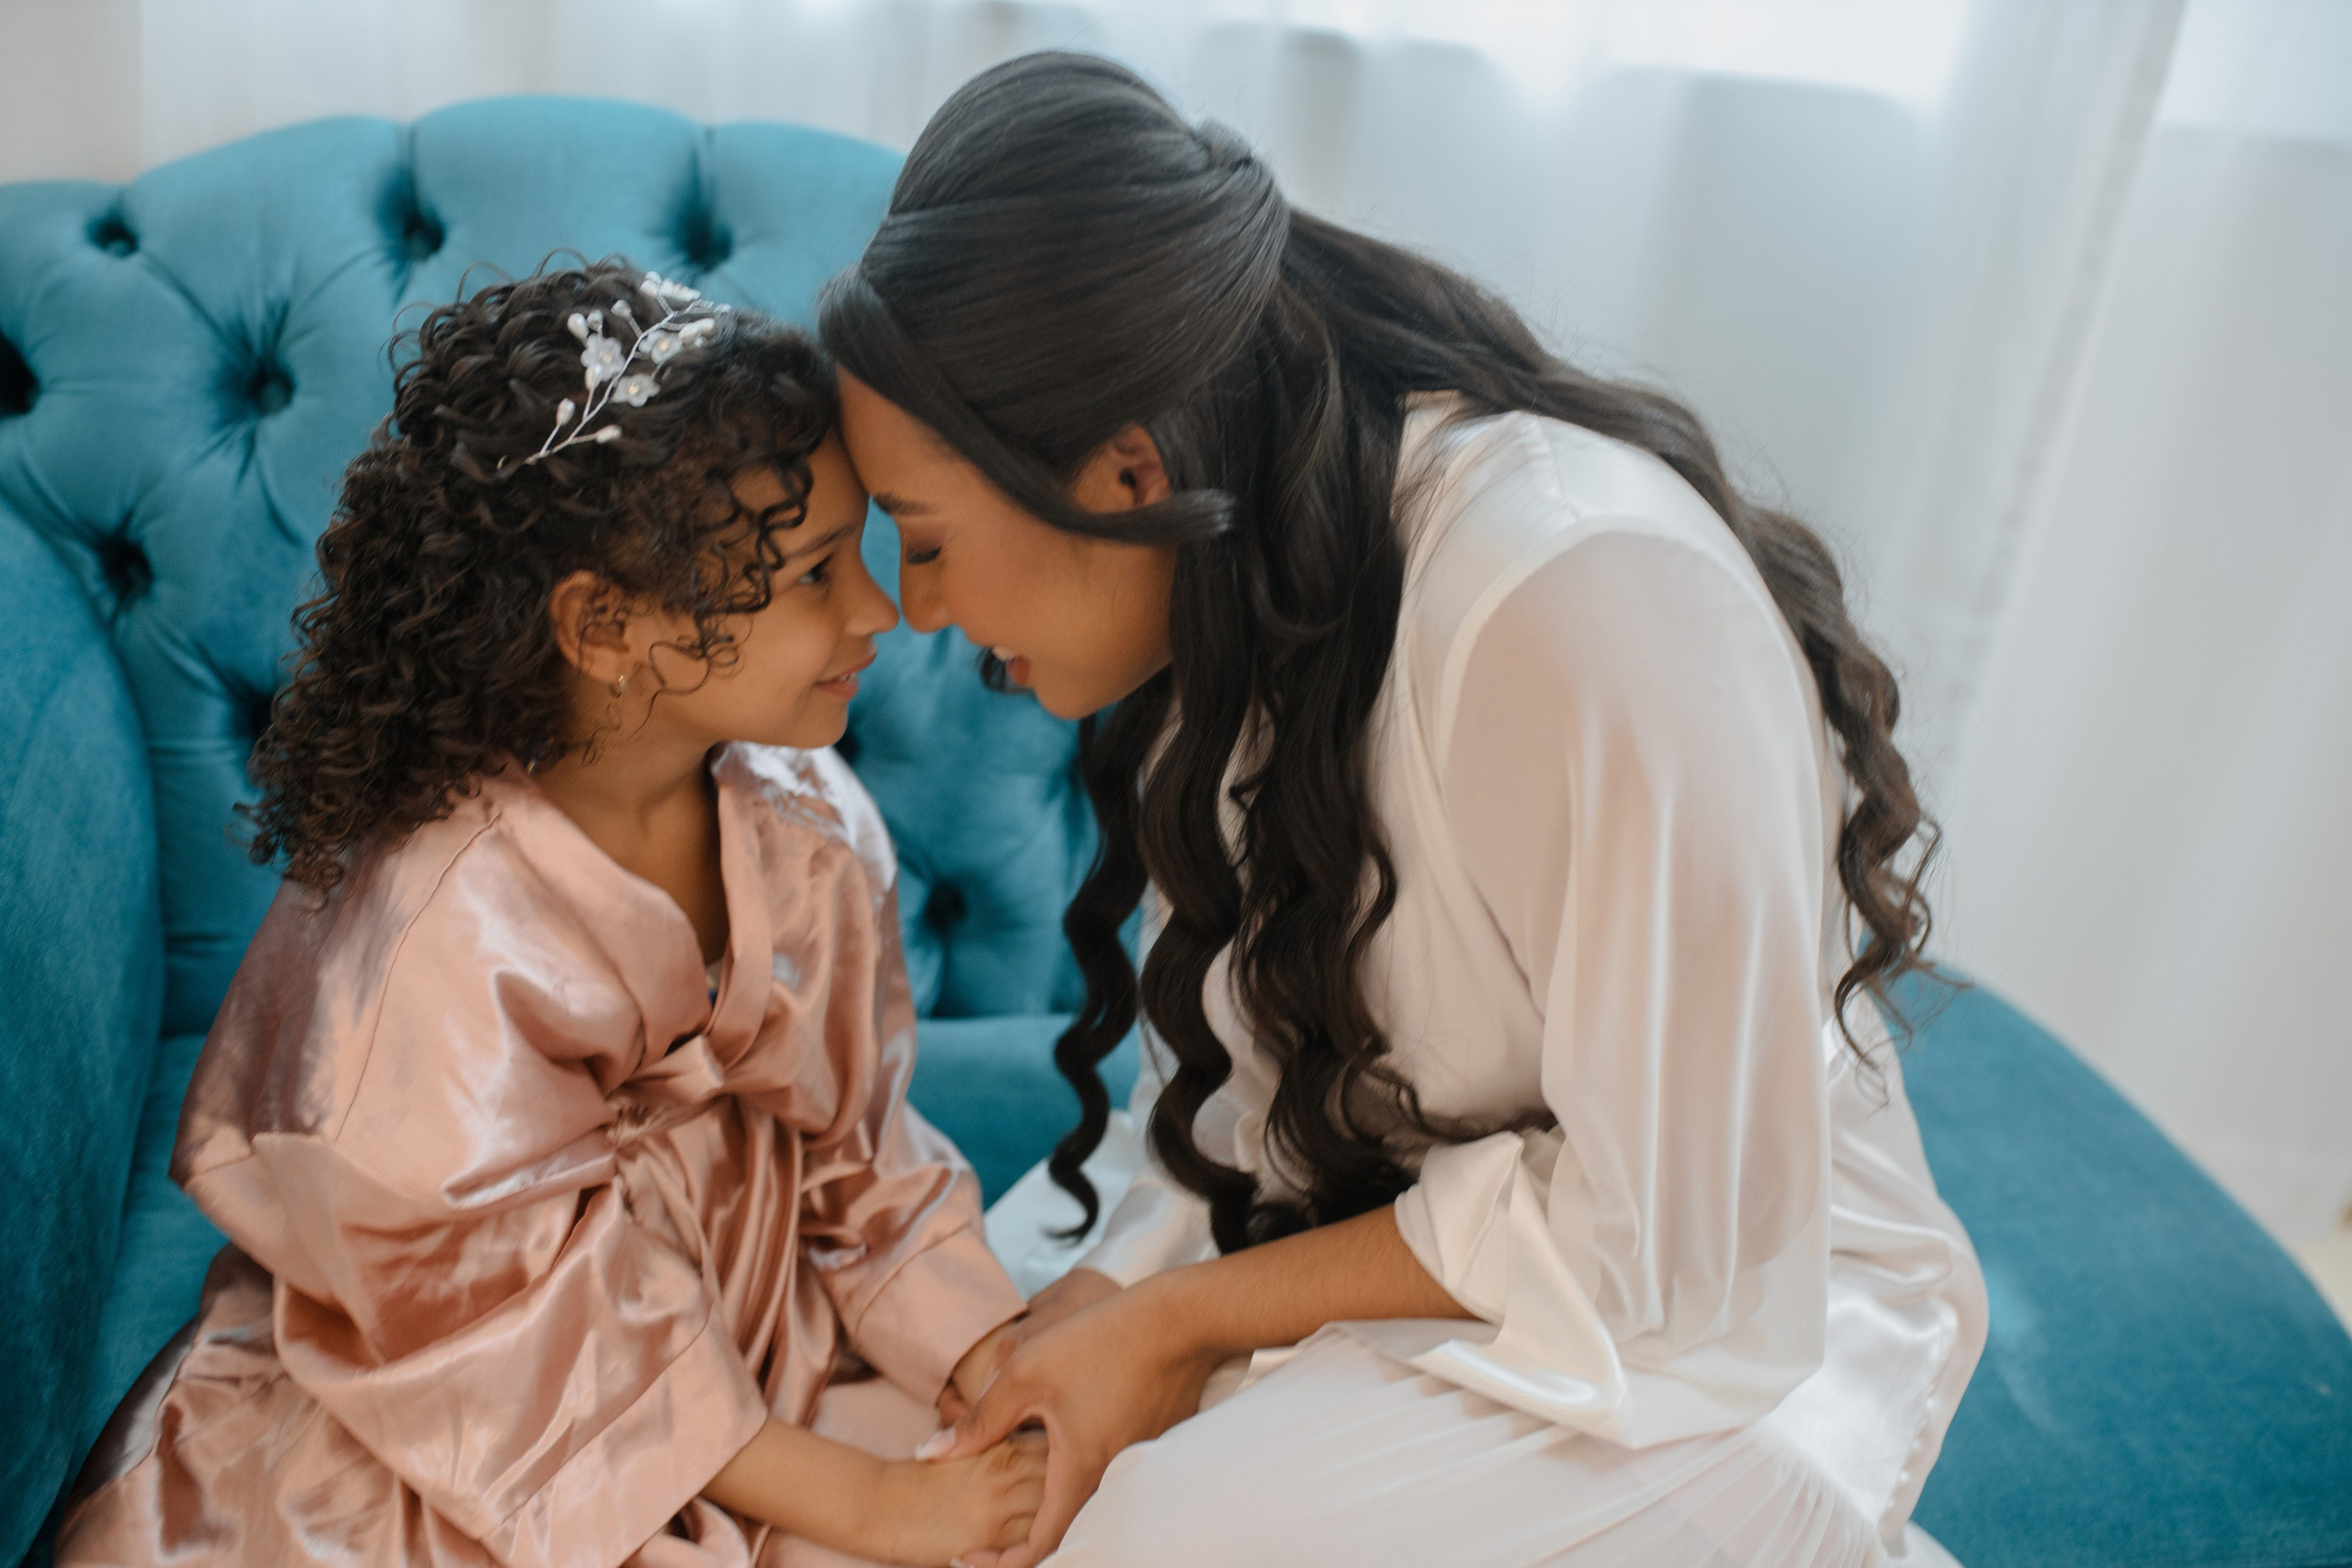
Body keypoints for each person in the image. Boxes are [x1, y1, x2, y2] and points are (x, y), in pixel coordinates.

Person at [820, 52, 1989, 1568]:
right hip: (1414, 1252)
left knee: (1139, 1541)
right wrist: (1133, 1294)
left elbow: (1678, 1261)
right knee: (913, 1457)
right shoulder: (1244, 576)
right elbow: (1273, 1088)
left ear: (1124, 467)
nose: (915, 612)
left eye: (922, 540)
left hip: (1714, 1347)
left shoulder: (1576, 600)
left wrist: (1181, 1322)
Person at [57, 261, 1043, 1568]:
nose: (878, 612)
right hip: (478, 1411)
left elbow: (862, 1149)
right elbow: (497, 1331)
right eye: (810, 574)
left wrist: (995, 1358)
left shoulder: (806, 824)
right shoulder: (439, 932)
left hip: (744, 1339)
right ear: (608, 625)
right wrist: (868, 1507)